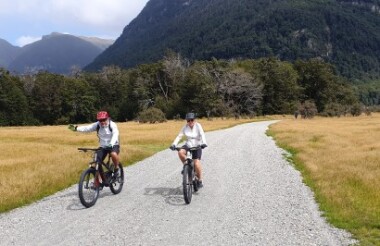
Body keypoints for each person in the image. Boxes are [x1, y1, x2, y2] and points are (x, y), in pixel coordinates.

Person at [68, 111, 121, 177]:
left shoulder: (112, 124)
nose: (102, 122)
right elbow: (87, 128)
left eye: (104, 120)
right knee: (96, 162)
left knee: (113, 154)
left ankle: (116, 168)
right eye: (100, 120)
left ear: (107, 118)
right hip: (103, 146)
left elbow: (115, 134)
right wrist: (76, 128)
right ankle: (98, 182)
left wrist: (111, 144)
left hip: (114, 145)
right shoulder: (97, 125)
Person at [170, 112, 207, 188]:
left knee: (196, 163)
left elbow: (202, 134)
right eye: (188, 120)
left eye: (192, 120)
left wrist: (204, 143)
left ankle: (200, 180)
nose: (190, 122)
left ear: (194, 120)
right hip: (188, 144)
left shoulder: (198, 126)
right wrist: (174, 144)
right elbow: (179, 136)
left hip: (197, 145)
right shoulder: (185, 127)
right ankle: (186, 165)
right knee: (180, 152)